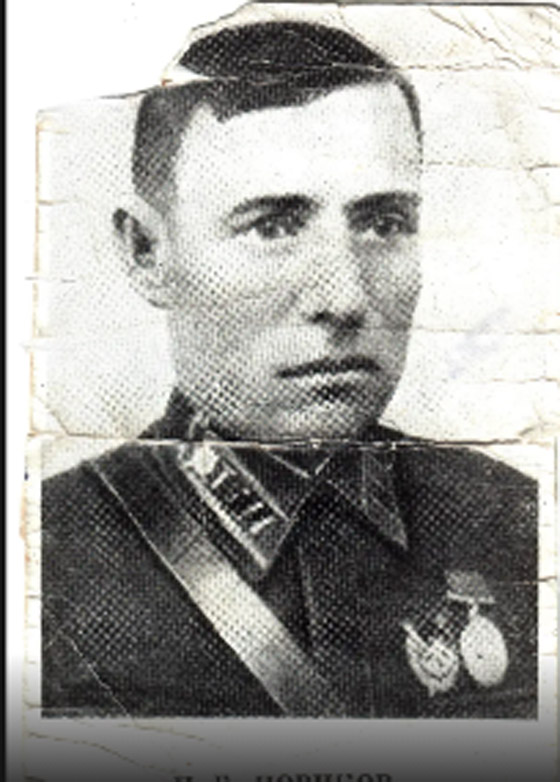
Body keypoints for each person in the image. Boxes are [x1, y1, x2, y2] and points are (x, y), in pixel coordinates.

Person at [42, 20, 537, 718]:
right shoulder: (49, 554)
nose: (345, 297)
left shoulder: (511, 520)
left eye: (384, 223)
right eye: (272, 226)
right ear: (147, 252)